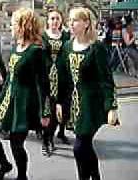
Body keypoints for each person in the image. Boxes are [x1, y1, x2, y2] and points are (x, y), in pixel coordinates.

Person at [0, 7, 45, 180]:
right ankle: (4, 164)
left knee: (16, 144)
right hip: (6, 98)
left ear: (24, 26)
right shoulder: (18, 45)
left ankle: (22, 176)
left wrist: (44, 112)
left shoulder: (36, 51)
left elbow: (43, 83)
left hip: (23, 102)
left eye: (14, 24)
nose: (11, 27)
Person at [57, 7, 119, 180]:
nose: (71, 23)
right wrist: (59, 102)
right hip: (75, 104)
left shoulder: (96, 48)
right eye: (69, 20)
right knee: (84, 146)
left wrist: (111, 107)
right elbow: (63, 78)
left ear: (86, 23)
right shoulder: (67, 47)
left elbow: (106, 80)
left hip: (92, 104)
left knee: (79, 147)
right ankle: (96, 176)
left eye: (75, 20)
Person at [41, 8, 71, 156]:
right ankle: (47, 140)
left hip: (63, 77)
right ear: (47, 20)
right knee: (49, 111)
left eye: (57, 19)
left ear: (61, 21)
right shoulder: (42, 36)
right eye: (52, 18)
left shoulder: (66, 36)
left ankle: (60, 132)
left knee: (64, 110)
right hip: (46, 78)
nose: (55, 21)